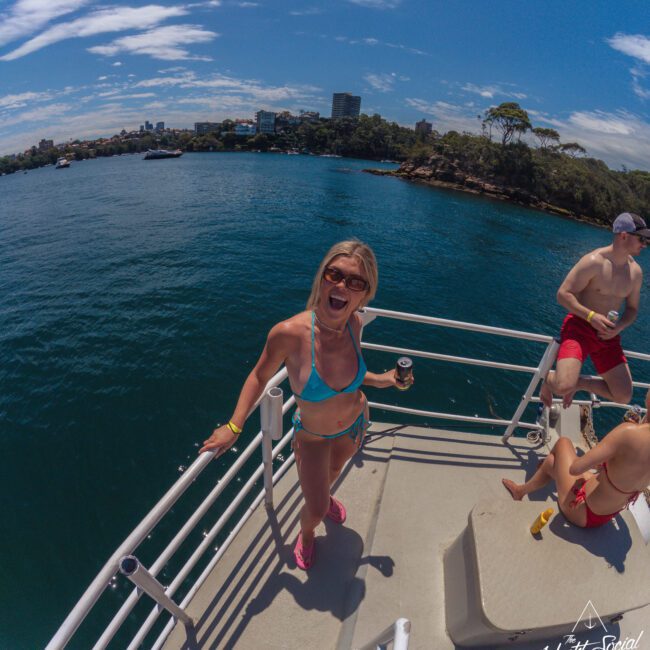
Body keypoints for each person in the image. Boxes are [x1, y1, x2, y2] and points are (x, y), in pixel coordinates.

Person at [200, 240, 410, 569]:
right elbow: (258, 376)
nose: (342, 286)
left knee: (336, 472)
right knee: (313, 508)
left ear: (364, 295)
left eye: (355, 282)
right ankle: (307, 534)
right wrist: (234, 426)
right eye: (335, 275)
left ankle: (325, 502)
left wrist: (386, 379)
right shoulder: (289, 334)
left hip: (356, 423)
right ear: (322, 278)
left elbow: (351, 376)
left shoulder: (353, 324)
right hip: (312, 436)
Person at [540, 212, 647, 410]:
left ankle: (578, 382)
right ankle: (548, 380)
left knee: (623, 395)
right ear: (624, 235)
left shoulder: (635, 273)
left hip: (608, 334)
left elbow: (632, 309)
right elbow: (563, 294)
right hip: (580, 327)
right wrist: (591, 316)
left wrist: (619, 327)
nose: (645, 243)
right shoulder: (593, 262)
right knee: (562, 386)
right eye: (642, 238)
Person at [502, 391, 650, 528]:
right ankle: (536, 477)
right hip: (605, 517)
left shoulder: (628, 432)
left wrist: (624, 433)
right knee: (551, 463)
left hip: (580, 510)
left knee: (563, 443)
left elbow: (576, 469)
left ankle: (524, 488)